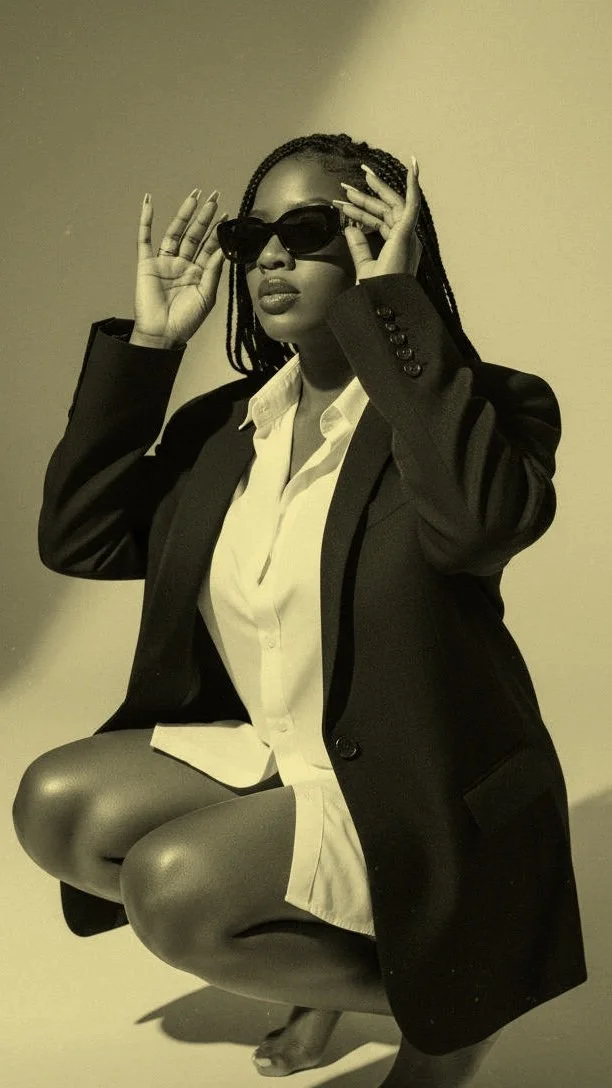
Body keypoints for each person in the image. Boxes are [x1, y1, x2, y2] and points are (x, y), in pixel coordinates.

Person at [12, 132, 586, 1086]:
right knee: (56, 807)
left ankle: (453, 1019)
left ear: (378, 244)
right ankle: (338, 964)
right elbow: (80, 538)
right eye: (251, 236)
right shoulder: (227, 428)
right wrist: (154, 349)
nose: (269, 257)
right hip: (280, 751)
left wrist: (395, 314)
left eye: (306, 230)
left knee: (173, 891)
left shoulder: (484, 411)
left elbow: (478, 531)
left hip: (417, 785)